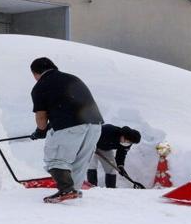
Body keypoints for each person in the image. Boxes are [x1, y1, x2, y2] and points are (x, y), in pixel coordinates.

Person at [28, 57, 103, 203]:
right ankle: (72, 191)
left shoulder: (41, 86)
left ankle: (66, 190)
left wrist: (40, 131)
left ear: (35, 73)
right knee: (80, 160)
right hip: (95, 124)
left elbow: (41, 116)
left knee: (56, 159)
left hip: (69, 125)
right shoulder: (73, 78)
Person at [87, 124, 142, 189]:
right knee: (92, 164)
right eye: (126, 140)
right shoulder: (108, 130)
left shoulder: (127, 144)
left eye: (129, 142)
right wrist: (92, 146)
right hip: (91, 145)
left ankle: (111, 189)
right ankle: (92, 186)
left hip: (106, 149)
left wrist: (120, 166)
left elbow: (121, 154)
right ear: (122, 135)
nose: (126, 142)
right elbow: (91, 135)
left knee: (111, 168)